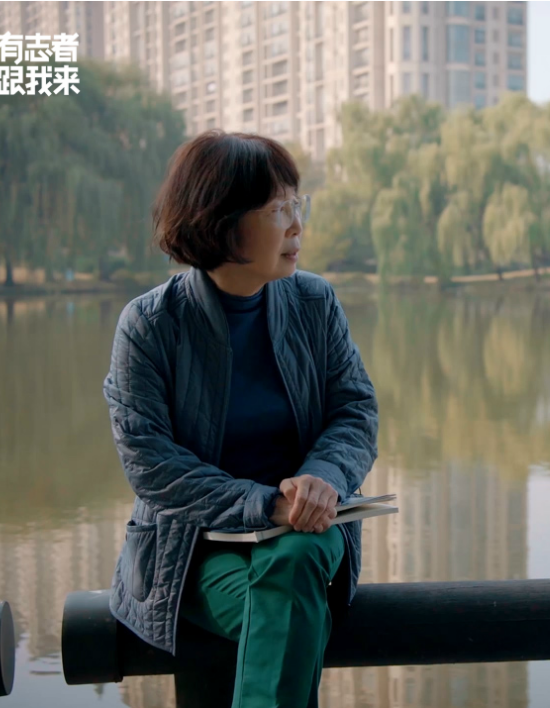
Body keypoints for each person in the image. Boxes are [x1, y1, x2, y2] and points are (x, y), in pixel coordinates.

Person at [103, 131, 379, 708]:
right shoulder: (149, 326)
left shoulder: (315, 303)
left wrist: (321, 478)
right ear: (223, 226)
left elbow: (355, 411)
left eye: (297, 204)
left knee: (297, 560)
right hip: (191, 552)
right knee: (290, 597)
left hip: (307, 530)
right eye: (278, 210)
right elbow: (152, 465)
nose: (297, 225)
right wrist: (266, 503)